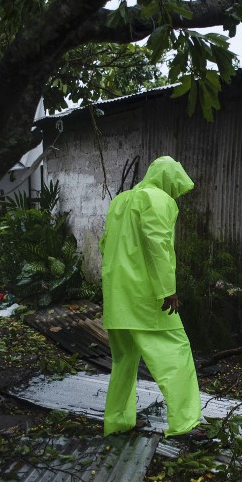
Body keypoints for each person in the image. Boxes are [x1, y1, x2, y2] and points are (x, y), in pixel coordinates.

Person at [100, 156, 203, 437]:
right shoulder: (158, 199)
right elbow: (157, 244)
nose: (174, 194)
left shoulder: (120, 200)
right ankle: (185, 423)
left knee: (124, 361)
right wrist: (167, 289)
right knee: (176, 354)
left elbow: (105, 243)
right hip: (146, 298)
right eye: (175, 186)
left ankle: (118, 422)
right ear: (168, 179)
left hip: (117, 297)